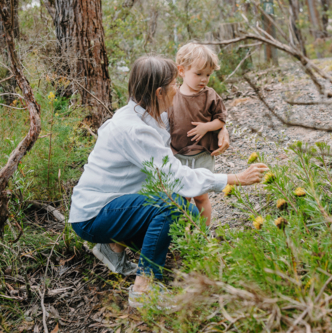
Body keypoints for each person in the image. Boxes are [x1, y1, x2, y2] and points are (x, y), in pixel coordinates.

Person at [69, 56, 268, 307]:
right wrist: (233, 178)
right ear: (159, 91)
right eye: (175, 84)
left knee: (180, 215)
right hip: (93, 215)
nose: (178, 89)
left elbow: (187, 125)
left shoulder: (150, 115)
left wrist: (221, 129)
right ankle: (144, 289)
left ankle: (112, 248)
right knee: (171, 205)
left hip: (115, 205)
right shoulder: (133, 129)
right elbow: (175, 176)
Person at [167, 43, 226, 226]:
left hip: (202, 155)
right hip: (179, 155)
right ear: (182, 71)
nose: (204, 79)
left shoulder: (209, 95)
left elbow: (221, 120)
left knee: (201, 196)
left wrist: (206, 127)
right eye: (198, 74)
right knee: (182, 199)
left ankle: (204, 234)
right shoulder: (173, 96)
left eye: (208, 75)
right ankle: (185, 237)